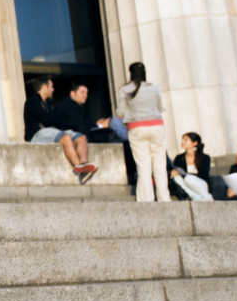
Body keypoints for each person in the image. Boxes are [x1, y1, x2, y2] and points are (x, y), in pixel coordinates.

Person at [23, 76, 97, 182]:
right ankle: (78, 166)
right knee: (66, 137)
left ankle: (84, 164)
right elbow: (46, 119)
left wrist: (52, 119)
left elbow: (61, 121)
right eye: (51, 86)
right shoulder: (31, 102)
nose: (53, 89)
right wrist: (53, 119)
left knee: (81, 136)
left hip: (54, 131)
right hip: (37, 134)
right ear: (44, 87)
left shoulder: (52, 104)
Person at [116, 62, 170, 203]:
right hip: (157, 127)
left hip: (136, 128)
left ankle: (147, 199)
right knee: (160, 165)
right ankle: (164, 198)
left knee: (143, 166)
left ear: (131, 73)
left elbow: (120, 112)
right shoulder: (154, 87)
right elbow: (160, 107)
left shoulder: (125, 90)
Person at [57, 81, 109, 184]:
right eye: (82, 92)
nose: (85, 95)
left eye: (87, 93)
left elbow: (83, 124)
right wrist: (100, 126)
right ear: (73, 93)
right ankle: (83, 165)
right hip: (69, 135)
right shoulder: (69, 106)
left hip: (74, 133)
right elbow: (80, 126)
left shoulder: (76, 106)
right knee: (82, 138)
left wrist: (96, 125)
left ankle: (84, 167)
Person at [169, 132, 213, 201]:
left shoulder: (205, 157)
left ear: (195, 143)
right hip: (187, 186)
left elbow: (204, 175)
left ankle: (208, 198)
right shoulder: (179, 158)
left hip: (201, 184)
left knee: (188, 179)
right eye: (182, 140)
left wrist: (185, 174)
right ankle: (196, 197)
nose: (182, 142)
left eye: (186, 140)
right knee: (176, 178)